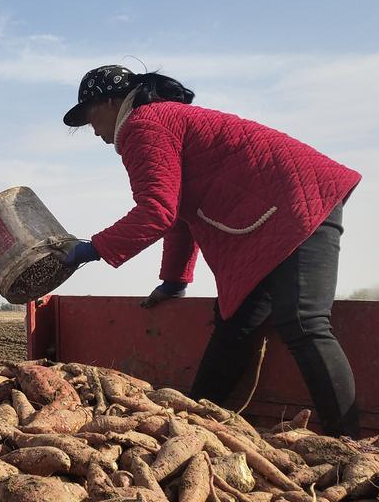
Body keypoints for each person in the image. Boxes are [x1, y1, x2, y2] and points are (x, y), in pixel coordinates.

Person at [57, 65, 361, 437]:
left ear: (109, 102)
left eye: (91, 118)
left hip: (300, 205)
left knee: (303, 321)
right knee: (235, 325)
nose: (96, 133)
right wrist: (173, 280)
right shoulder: (159, 121)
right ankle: (196, 426)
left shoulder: (143, 125)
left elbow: (157, 211)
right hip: (274, 216)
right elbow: (179, 215)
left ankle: (348, 443)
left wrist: (94, 248)